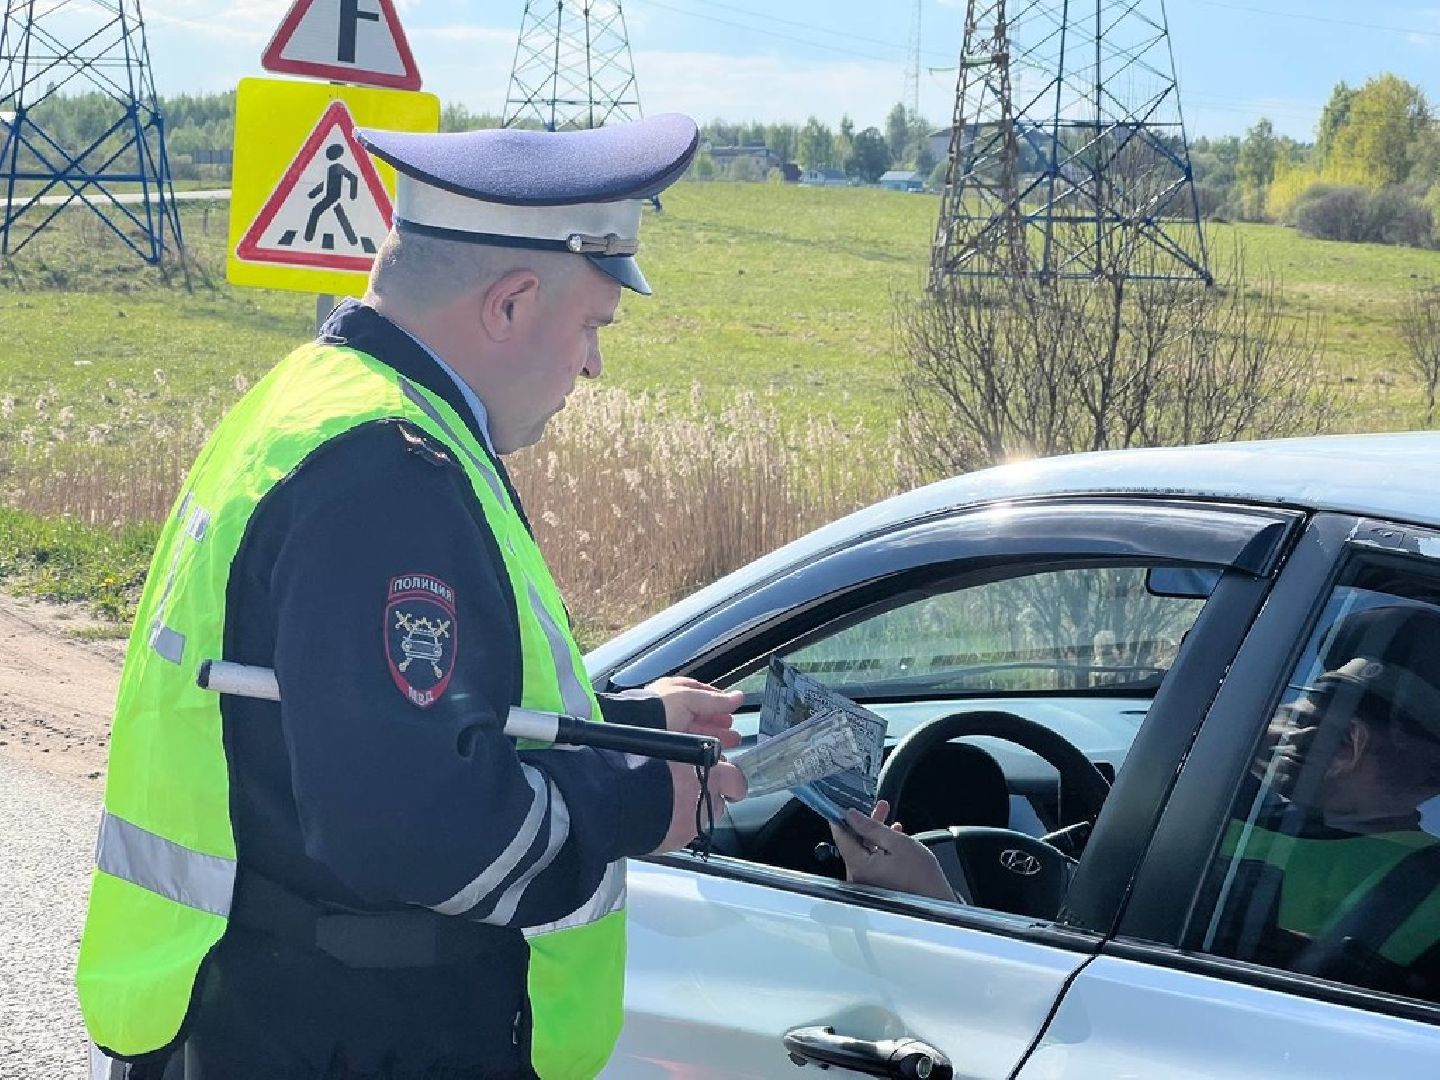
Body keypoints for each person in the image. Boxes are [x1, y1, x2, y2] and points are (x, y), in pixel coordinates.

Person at [76, 113, 748, 1080]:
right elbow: (413, 826)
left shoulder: (323, 401)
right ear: (512, 303)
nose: (595, 364)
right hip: (345, 1034)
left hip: (267, 1011)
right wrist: (642, 796)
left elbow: (384, 714)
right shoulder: (385, 471)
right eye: (593, 326)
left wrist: (623, 725)